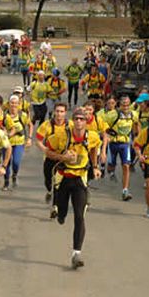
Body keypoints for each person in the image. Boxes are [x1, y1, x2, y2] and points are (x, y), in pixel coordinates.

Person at [44, 108, 101, 269]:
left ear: (86, 121)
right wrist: (63, 157)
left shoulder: (92, 137)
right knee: (62, 214)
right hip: (63, 178)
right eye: (76, 119)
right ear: (72, 120)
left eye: (82, 119)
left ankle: (76, 254)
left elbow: (94, 148)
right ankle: (60, 214)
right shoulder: (62, 136)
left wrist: (95, 166)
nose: (79, 122)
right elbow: (48, 151)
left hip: (79, 179)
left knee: (79, 216)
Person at [36, 103, 73, 212]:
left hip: (63, 158)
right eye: (57, 111)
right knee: (48, 180)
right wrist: (45, 150)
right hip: (50, 157)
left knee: (58, 182)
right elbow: (38, 141)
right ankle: (49, 191)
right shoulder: (46, 125)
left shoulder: (70, 125)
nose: (59, 114)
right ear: (54, 112)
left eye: (62, 111)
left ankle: (55, 207)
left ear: (65, 113)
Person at [104, 96, 140, 201]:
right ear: (119, 105)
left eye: (127, 105)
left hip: (125, 144)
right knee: (111, 165)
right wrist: (108, 130)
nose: (125, 107)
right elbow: (102, 122)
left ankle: (125, 190)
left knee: (126, 166)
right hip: (113, 144)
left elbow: (137, 123)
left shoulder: (133, 115)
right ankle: (111, 171)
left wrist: (137, 136)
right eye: (123, 105)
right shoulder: (113, 115)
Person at [2, 95, 33, 190]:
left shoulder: (22, 115)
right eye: (12, 103)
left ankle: (14, 174)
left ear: (19, 104)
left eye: (16, 103)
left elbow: (30, 125)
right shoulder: (3, 115)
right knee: (6, 163)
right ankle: (6, 181)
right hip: (6, 143)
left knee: (16, 162)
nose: (13, 105)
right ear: (8, 104)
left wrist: (30, 138)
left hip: (19, 142)